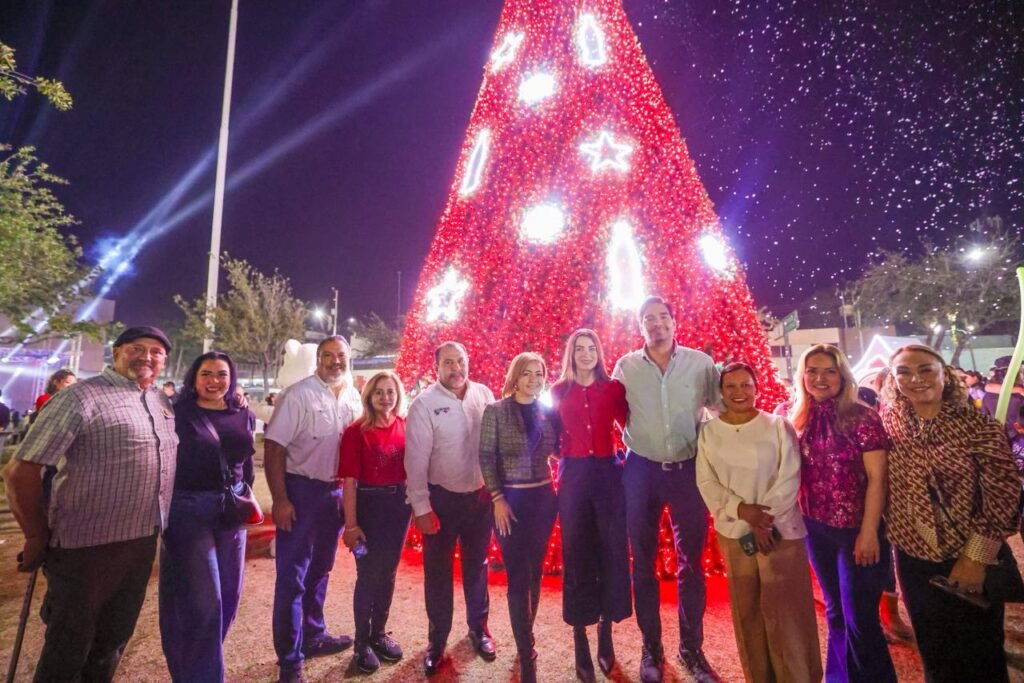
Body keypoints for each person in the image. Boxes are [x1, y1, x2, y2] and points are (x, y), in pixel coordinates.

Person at [2, 326, 177, 682]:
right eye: (137, 348)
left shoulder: (160, 401)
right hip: (85, 548)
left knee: (112, 641)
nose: (146, 357)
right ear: (117, 353)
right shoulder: (81, 397)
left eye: (156, 351)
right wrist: (36, 535)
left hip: (140, 542)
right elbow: (21, 471)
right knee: (68, 647)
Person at [882, 344, 1020, 682]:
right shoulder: (890, 421)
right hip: (913, 555)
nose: (915, 379)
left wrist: (975, 557)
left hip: (968, 555)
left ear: (945, 373)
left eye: (926, 369)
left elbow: (1004, 493)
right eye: (903, 372)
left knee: (980, 653)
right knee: (935, 652)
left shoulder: (976, 425)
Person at [611, 296, 722, 683]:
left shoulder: (700, 364)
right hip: (640, 469)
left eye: (662, 317)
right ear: (640, 326)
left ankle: (691, 649)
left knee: (691, 563)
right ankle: (651, 646)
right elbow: (613, 412)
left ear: (674, 322)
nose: (656, 324)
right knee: (642, 563)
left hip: (688, 471)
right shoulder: (625, 367)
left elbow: (722, 409)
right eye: (648, 319)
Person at [696, 362, 822, 683]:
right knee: (747, 610)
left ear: (757, 387)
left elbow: (790, 475)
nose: (739, 392)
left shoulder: (777, 426)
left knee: (788, 611)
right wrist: (742, 511)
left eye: (746, 385)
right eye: (731, 386)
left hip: (781, 532)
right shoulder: (709, 432)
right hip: (736, 533)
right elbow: (707, 482)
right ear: (721, 392)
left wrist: (762, 519)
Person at [782, 344, 895, 682]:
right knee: (834, 612)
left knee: (860, 618)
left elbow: (878, 479)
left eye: (829, 370)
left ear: (842, 375)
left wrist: (869, 532)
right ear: (802, 376)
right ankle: (839, 677)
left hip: (856, 531)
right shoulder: (795, 416)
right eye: (812, 370)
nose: (820, 378)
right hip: (815, 528)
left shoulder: (862, 417)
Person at [264, 335, 362, 683]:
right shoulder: (299, 395)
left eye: (341, 356)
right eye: (328, 356)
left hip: (336, 494)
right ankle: (290, 662)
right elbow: (274, 448)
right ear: (317, 359)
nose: (335, 362)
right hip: (302, 491)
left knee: (321, 569)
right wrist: (280, 499)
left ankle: (314, 634)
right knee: (292, 578)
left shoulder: (352, 395)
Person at [159, 351, 256, 682]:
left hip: (231, 510)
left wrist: (247, 497)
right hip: (189, 509)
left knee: (229, 596)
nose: (215, 381)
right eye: (207, 374)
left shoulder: (242, 412)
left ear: (232, 378)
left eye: (222, 374)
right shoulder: (176, 413)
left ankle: (192, 669)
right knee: (205, 601)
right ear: (194, 377)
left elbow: (247, 462)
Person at [404, 341, 497, 675]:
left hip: (480, 499)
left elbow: (496, 441)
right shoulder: (424, 404)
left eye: (461, 361)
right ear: (436, 368)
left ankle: (478, 629)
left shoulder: (484, 394)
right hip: (441, 499)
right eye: (448, 363)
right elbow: (415, 460)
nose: (456, 368)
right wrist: (421, 507)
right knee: (438, 574)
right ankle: (437, 640)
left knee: (478, 567)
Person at [550, 329, 631, 680]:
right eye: (579, 349)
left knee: (611, 551)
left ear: (599, 352)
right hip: (573, 477)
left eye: (591, 348)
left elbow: (630, 427)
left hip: (608, 474)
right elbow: (550, 436)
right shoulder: (557, 391)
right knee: (577, 554)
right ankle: (580, 636)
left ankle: (605, 631)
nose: (586, 354)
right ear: (571, 354)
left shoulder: (613, 388)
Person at [479, 352, 559, 683]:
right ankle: (526, 650)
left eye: (539, 373)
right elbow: (486, 457)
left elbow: (558, 450)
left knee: (535, 571)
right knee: (517, 576)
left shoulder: (547, 412)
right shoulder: (495, 411)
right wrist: (497, 498)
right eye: (527, 373)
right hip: (509, 500)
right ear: (515, 376)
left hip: (543, 499)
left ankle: (527, 639)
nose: (534, 379)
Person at [339, 371, 410, 674]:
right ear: (369, 396)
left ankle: (378, 633)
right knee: (368, 574)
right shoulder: (357, 431)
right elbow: (350, 482)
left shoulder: (406, 427)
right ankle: (361, 643)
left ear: (398, 395)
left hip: (399, 508)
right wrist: (351, 524)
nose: (385, 398)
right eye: (379, 392)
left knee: (389, 572)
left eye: (390, 392)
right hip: (370, 506)